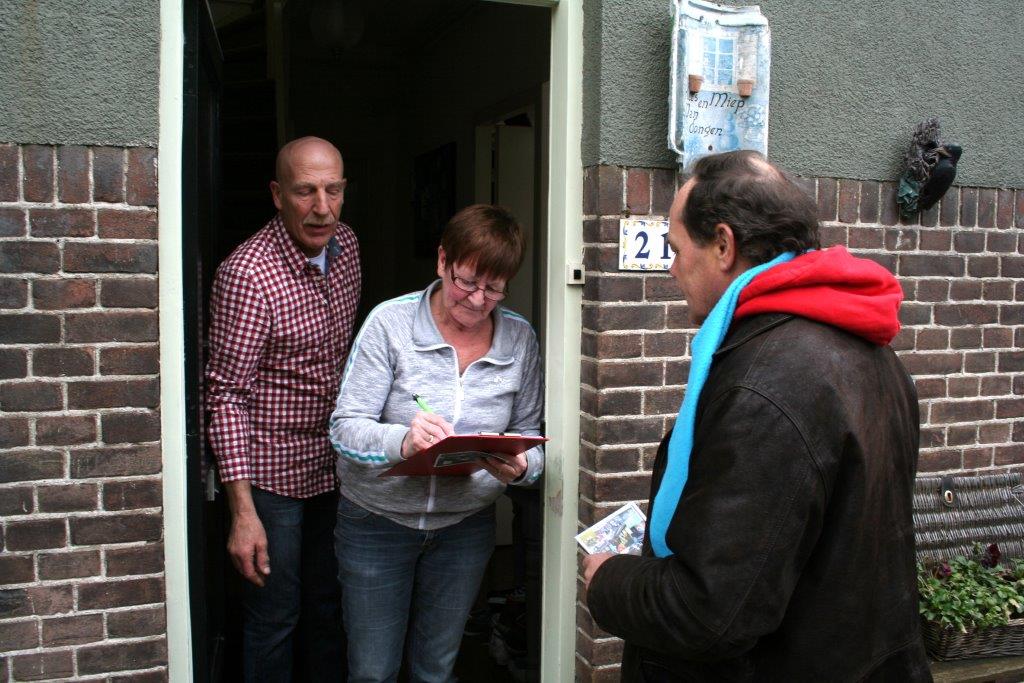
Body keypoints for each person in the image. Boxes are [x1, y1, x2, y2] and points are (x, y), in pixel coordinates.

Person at [583, 150, 931, 681]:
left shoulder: (764, 386)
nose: (672, 267)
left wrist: (609, 579)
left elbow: (712, 614)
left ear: (723, 245)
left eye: (676, 250)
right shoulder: (875, 355)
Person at [329, 204, 544, 683]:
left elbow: (532, 439)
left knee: (436, 669)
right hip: (376, 524)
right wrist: (403, 441)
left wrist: (523, 467)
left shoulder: (520, 339)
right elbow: (344, 428)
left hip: (466, 528)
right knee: (372, 671)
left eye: (493, 289)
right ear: (442, 260)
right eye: (466, 281)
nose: (476, 300)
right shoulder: (390, 323)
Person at [205, 136, 360, 682]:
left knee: (329, 610)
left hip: (336, 469)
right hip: (271, 478)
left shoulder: (348, 249)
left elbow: (345, 361)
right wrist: (242, 513)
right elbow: (225, 394)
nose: (322, 207)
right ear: (277, 194)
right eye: (305, 191)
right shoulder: (247, 275)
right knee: (275, 619)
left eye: (332, 190)